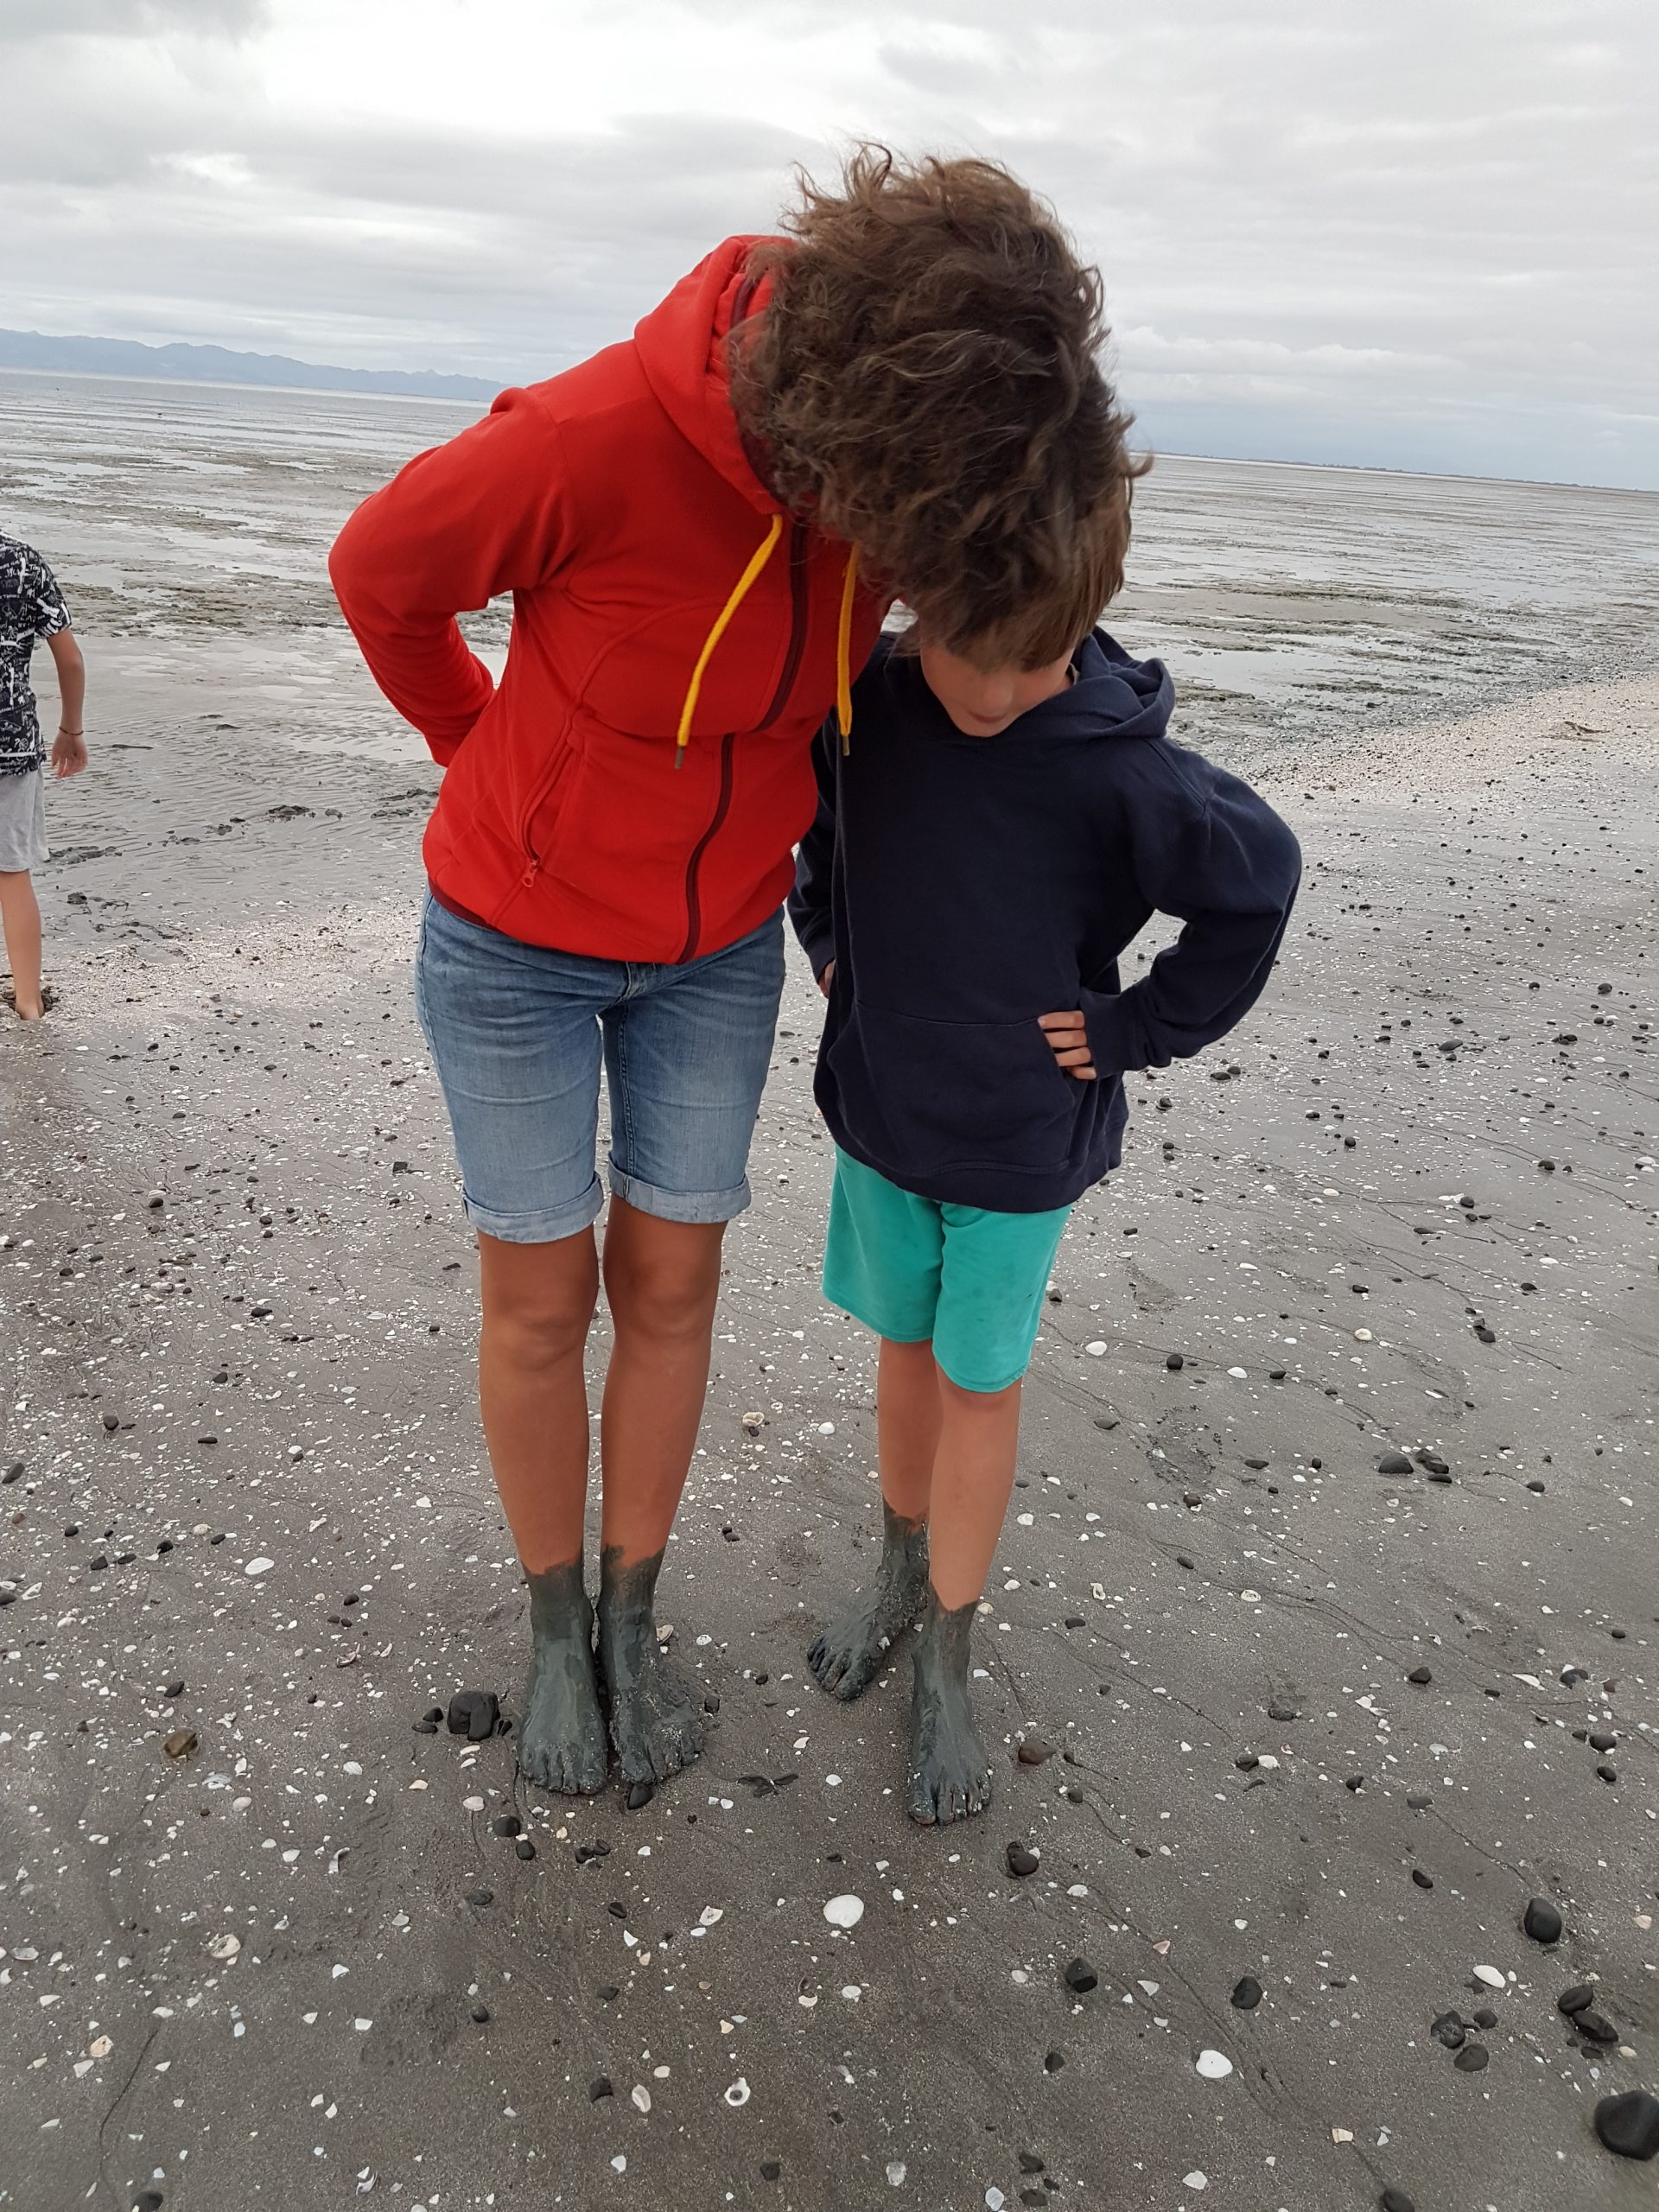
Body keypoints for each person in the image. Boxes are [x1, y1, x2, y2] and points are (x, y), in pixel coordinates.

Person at [329, 149, 1145, 1799]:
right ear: (879, 420)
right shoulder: (584, 441)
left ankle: (633, 1617)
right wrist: (478, 751)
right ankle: (553, 1631)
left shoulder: (903, 501)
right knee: (541, 1301)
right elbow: (381, 575)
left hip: (715, 955)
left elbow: (1001, 648)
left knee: (674, 1290)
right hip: (509, 947)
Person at [787, 571, 1302, 1826]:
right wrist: (829, 944)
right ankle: (896, 1574)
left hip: (1019, 1146)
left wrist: (1136, 1027)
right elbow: (819, 825)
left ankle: (949, 1653)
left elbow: (1260, 881)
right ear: (921, 602)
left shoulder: (1120, 766)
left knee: (980, 1383)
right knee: (902, 1349)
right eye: (976, 652)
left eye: (1039, 657)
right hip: (882, 1110)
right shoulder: (862, 703)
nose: (1003, 689)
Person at [1, 534, 86, 1021]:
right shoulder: (23, 560)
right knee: (12, 874)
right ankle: (29, 1002)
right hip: (10, 741)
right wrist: (70, 730)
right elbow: (69, 659)